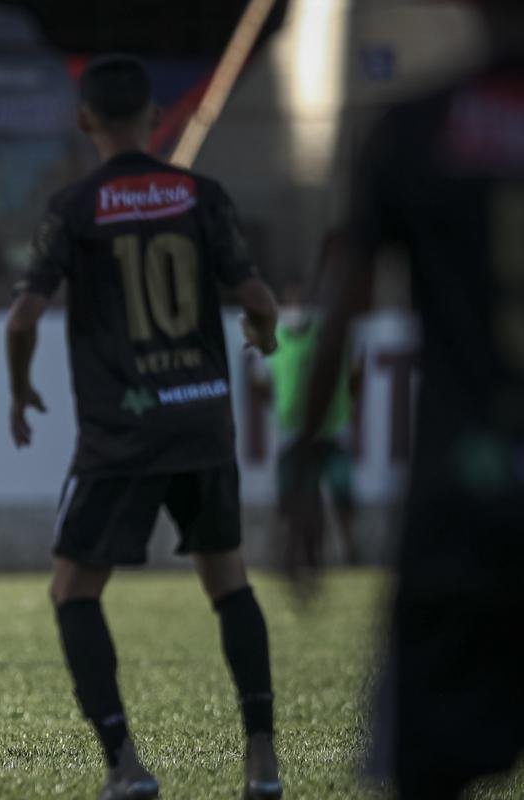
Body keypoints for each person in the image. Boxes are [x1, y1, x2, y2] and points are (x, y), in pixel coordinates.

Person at [5, 55, 284, 800]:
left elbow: (23, 315)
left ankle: (125, 765)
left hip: (121, 437)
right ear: (155, 117)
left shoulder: (74, 206)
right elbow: (255, 294)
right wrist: (264, 332)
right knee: (228, 583)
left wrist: (18, 389)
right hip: (200, 421)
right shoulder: (198, 194)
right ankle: (261, 759)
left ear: (83, 118)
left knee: (73, 593)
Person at [285, 3, 524, 796]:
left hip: (461, 499)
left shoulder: (413, 128)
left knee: (426, 772)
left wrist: (305, 462)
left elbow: (342, 310)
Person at [252, 252, 362, 566]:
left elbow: (355, 374)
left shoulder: (327, 336)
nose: (297, 305)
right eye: (291, 299)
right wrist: (278, 408)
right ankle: (298, 552)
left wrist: (345, 405)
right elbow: (259, 383)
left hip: (332, 430)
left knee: (342, 492)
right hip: (291, 432)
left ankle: (349, 549)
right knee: (295, 497)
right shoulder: (274, 343)